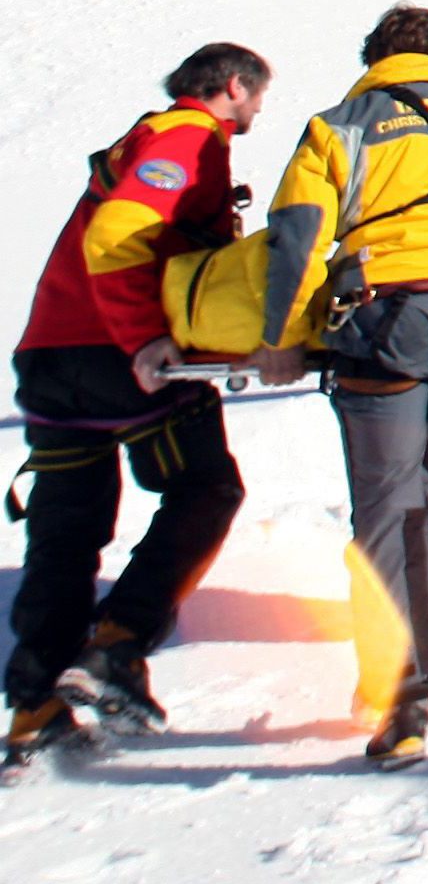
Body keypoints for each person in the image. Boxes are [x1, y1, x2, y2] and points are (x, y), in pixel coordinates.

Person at [251, 4, 428, 768]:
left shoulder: (342, 123)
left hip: (385, 322)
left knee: (384, 504)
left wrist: (280, 338)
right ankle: (414, 661)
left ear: (374, 55)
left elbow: (299, 233)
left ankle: (399, 692)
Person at [6, 45, 268, 769]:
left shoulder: (144, 137)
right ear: (235, 86)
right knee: (206, 488)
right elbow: (118, 234)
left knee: (65, 532)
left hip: (51, 357)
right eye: (255, 100)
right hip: (122, 358)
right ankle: (117, 646)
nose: (255, 114)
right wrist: (145, 338)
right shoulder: (187, 136)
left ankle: (35, 705)